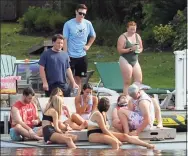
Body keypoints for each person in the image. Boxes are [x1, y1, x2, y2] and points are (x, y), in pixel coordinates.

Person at [88, 97, 155, 149]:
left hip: (101, 133)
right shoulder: (97, 114)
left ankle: (147, 145)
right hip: (93, 134)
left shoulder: (103, 113)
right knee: (115, 142)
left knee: (124, 136)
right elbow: (104, 130)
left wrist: (116, 133)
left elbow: (106, 128)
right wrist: (116, 138)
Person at [63, 4, 96, 94]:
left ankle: (77, 97)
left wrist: (88, 45)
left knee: (79, 78)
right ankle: (68, 95)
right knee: (69, 78)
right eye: (80, 13)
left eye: (84, 14)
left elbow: (93, 36)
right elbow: (65, 39)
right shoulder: (68, 24)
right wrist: (65, 54)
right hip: (70, 55)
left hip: (82, 55)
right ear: (76, 12)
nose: (82, 15)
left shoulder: (88, 23)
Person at [117, 21, 143, 96]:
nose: (133, 31)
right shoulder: (122, 37)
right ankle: (126, 98)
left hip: (135, 60)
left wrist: (138, 50)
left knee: (138, 80)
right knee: (127, 81)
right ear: (127, 29)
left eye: (134, 29)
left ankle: (136, 97)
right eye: (131, 29)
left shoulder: (137, 36)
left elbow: (141, 48)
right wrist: (130, 49)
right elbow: (119, 50)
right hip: (125, 59)